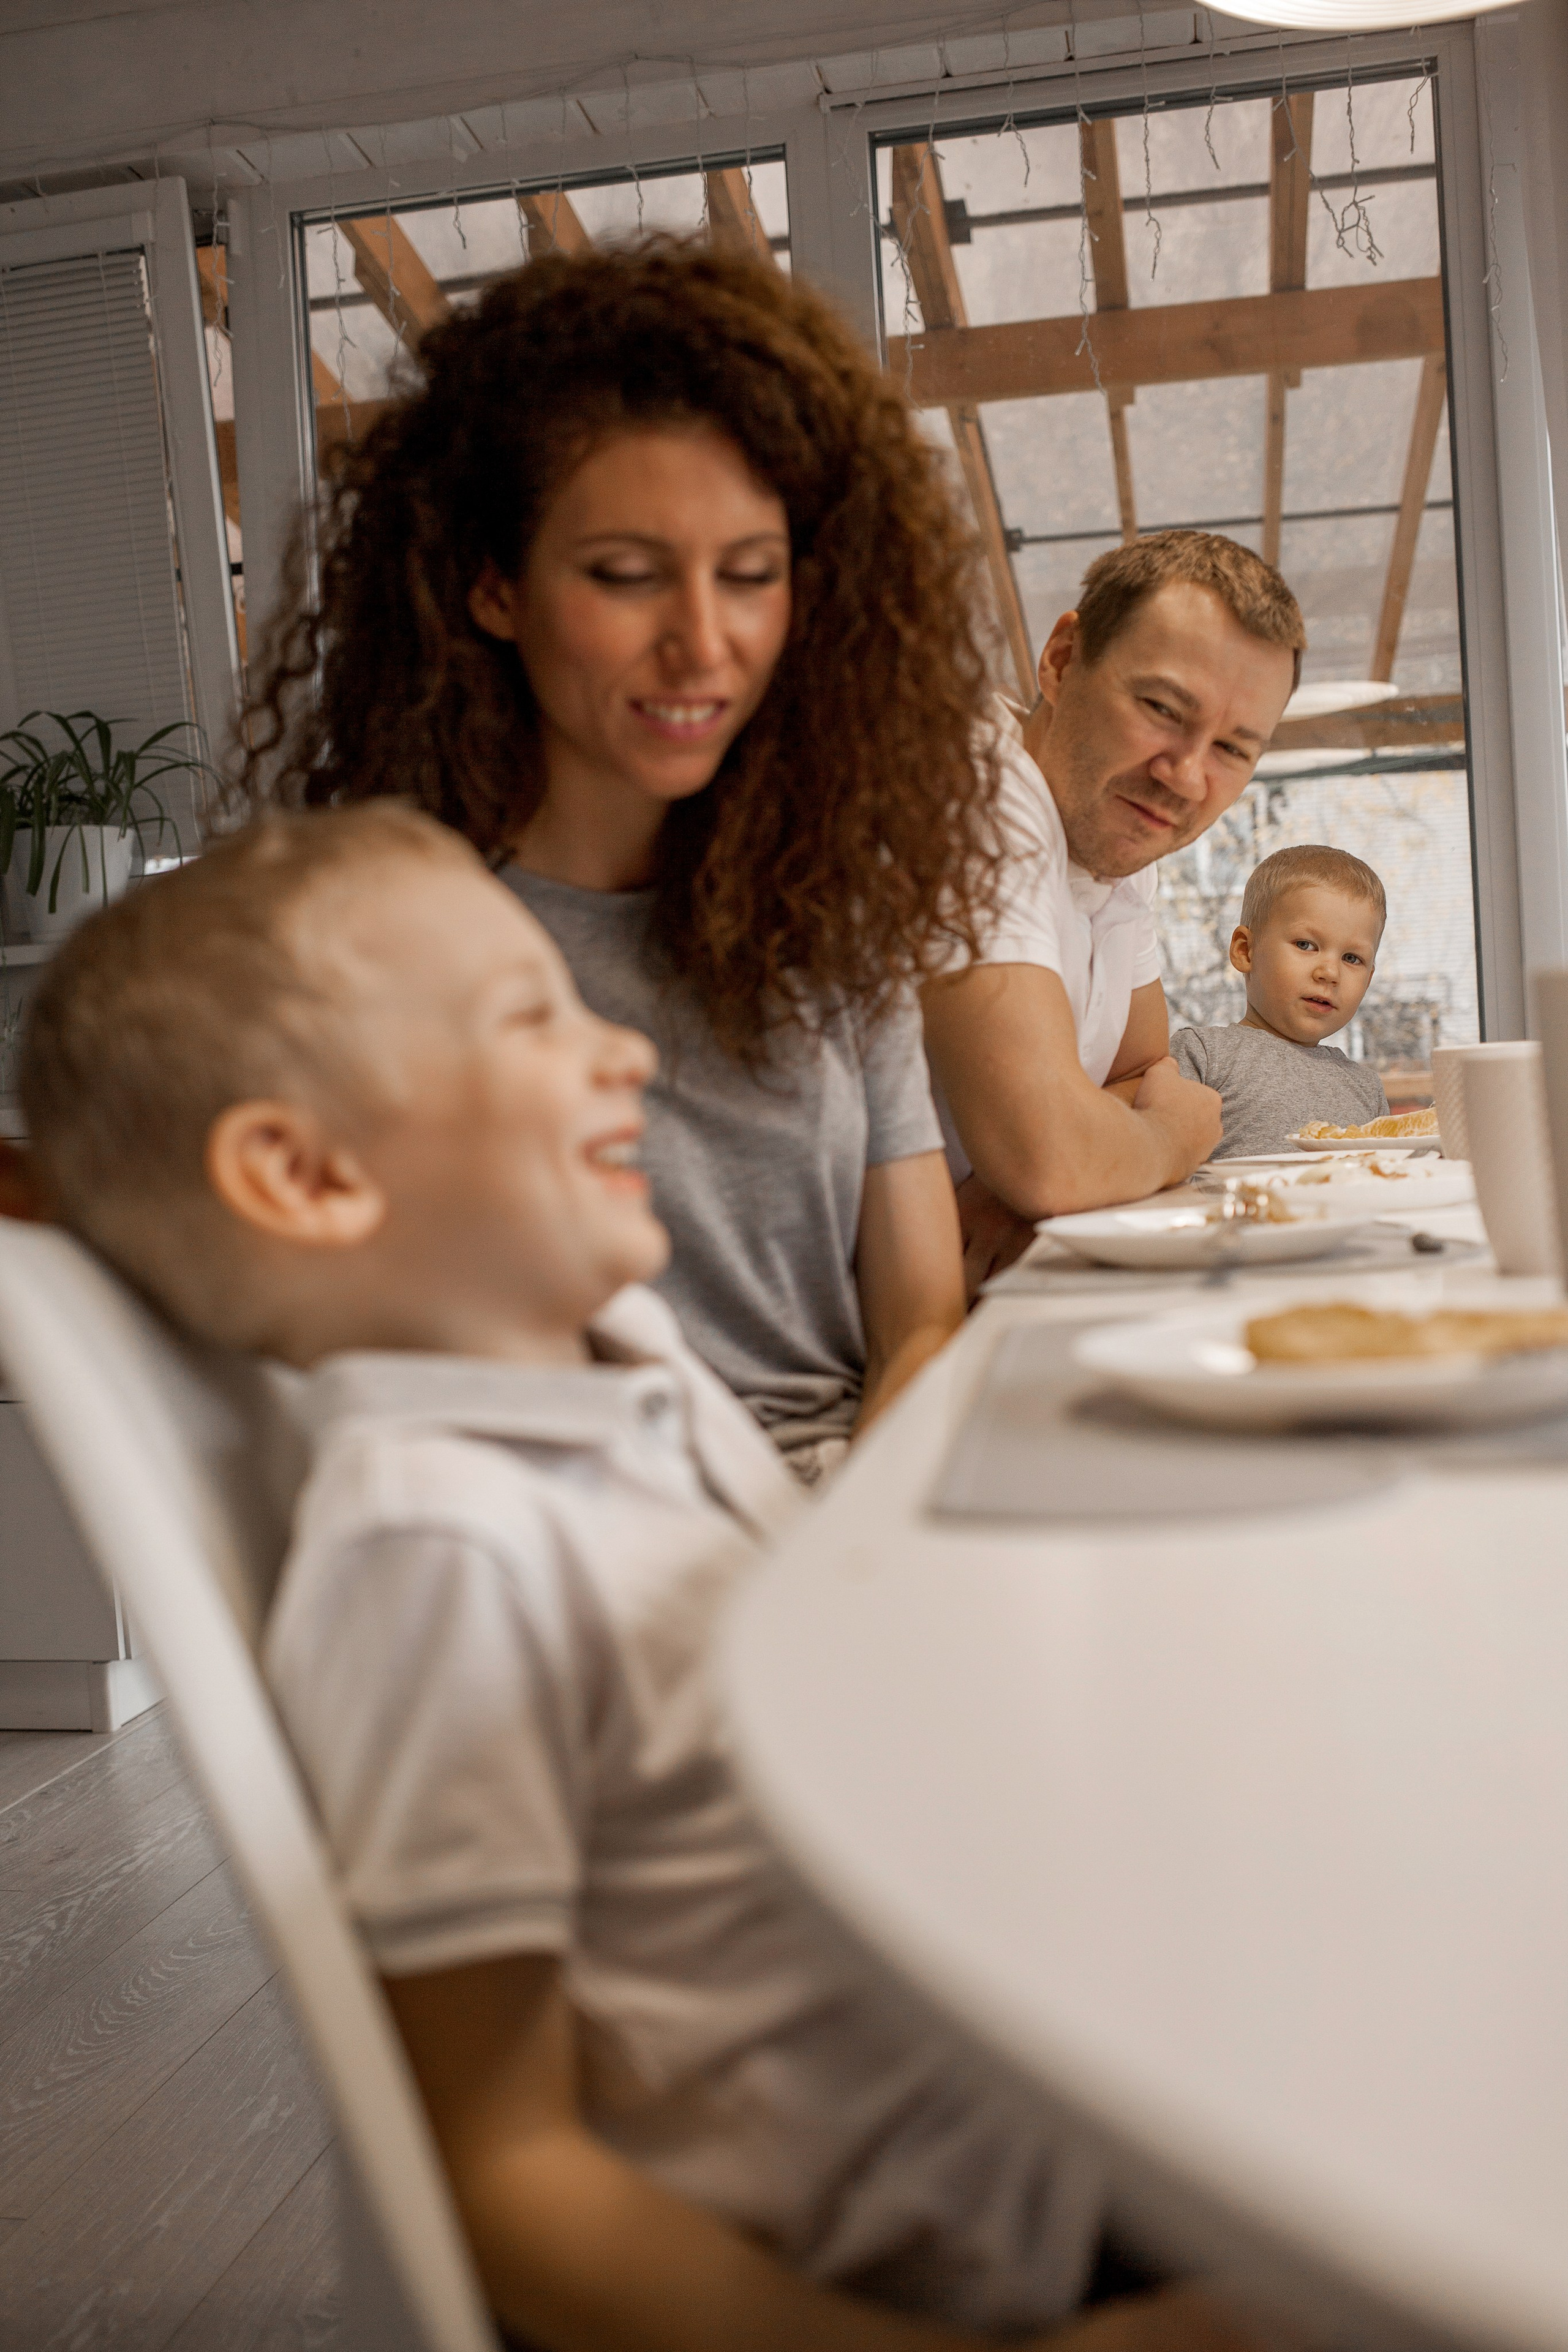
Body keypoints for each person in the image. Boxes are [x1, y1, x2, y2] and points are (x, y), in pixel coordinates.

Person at [18, 806, 1262, 2352]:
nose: (621, 1054)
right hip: (963, 2258)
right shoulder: (438, 1547)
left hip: (1021, 2098)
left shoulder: (624, 1358)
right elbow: (506, 2175)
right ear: (307, 1174)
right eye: (531, 1014)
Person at [238, 239, 1008, 1480]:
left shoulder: (833, 915)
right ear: (493, 588)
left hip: (837, 1510)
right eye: (625, 577)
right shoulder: (387, 946)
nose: (702, 644)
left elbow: (918, 1322)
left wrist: (841, 1547)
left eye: (749, 577)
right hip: (571, 1536)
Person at [921, 532, 1305, 1297]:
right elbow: (1057, 1155)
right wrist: (1176, 1135)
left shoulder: (1117, 845)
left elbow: (1135, 1069)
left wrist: (1042, 1177)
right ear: (1062, 660)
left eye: (1232, 748)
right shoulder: (976, 795)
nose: (1188, 777)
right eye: (1162, 709)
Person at [1169, 843, 1389, 1158]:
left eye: (1352, 958)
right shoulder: (1203, 1055)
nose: (1330, 972)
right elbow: (1163, 1167)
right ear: (1246, 951)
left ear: (1369, 979)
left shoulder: (1366, 1088)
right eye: (1306, 945)